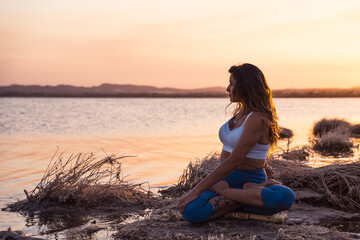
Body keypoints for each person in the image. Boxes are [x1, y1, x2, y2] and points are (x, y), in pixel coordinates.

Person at [178, 63, 296, 223]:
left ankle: (230, 192)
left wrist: (201, 188)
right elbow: (243, 148)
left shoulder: (257, 118)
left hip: (249, 179)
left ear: (245, 86)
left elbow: (234, 160)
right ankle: (249, 197)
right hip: (232, 181)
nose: (227, 88)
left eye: (232, 84)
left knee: (286, 197)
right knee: (191, 211)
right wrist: (266, 167)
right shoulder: (240, 113)